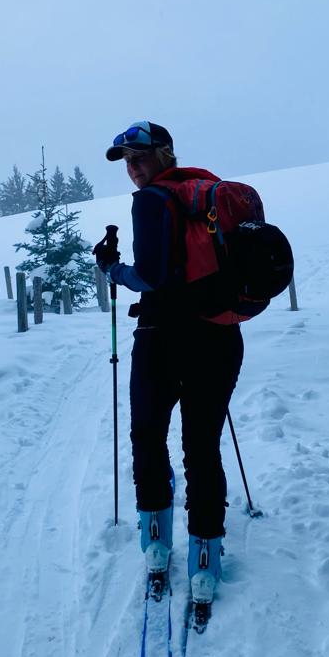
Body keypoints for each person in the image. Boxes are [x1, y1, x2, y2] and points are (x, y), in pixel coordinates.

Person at [94, 121, 244, 608]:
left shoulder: (152, 201)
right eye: (127, 162)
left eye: (139, 157)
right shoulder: (208, 191)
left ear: (164, 154)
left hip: (162, 338)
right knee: (203, 447)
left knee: (149, 437)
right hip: (220, 337)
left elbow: (155, 277)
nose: (133, 169)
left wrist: (114, 270)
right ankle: (206, 559)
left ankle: (156, 544)